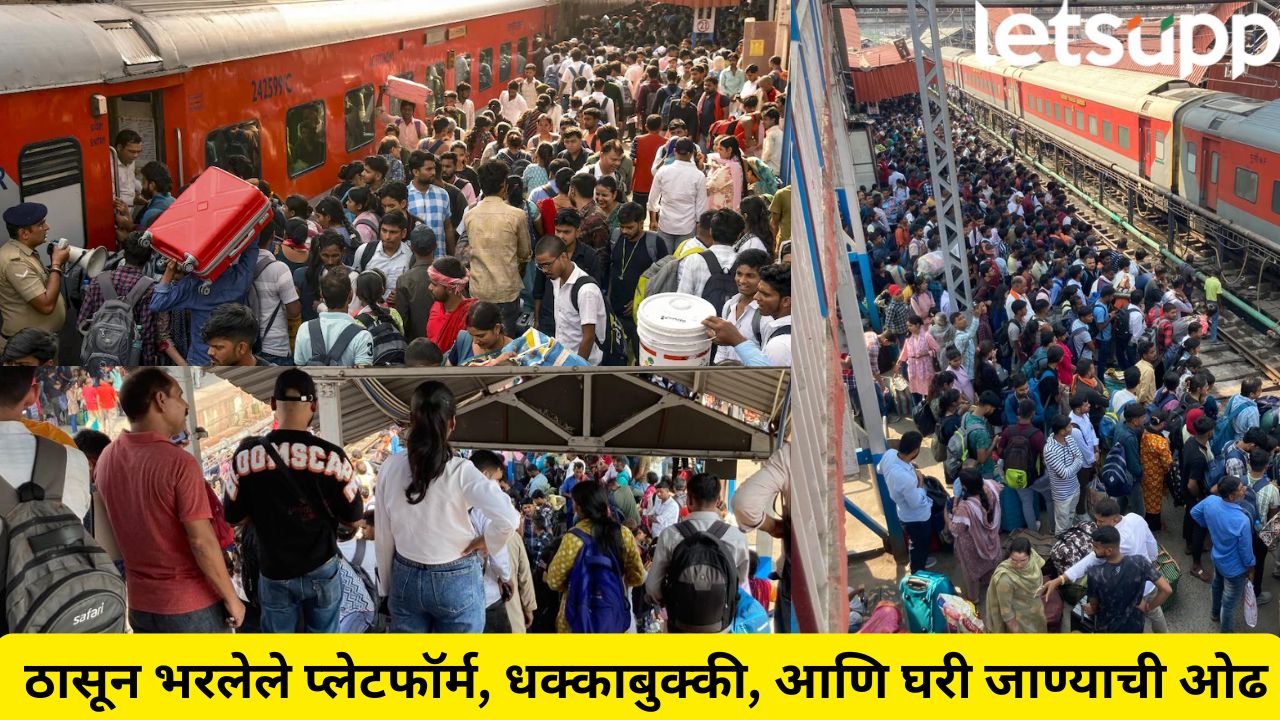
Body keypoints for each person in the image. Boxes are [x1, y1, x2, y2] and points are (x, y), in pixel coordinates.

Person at [95, 368, 244, 632]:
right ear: (160, 401)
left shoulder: (106, 457)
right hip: (190, 606)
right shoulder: (178, 463)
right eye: (179, 395)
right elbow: (201, 542)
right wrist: (232, 599)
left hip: (140, 606)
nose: (186, 404)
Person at [224, 370, 362, 633]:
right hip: (322, 567)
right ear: (314, 405)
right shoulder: (333, 456)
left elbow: (234, 518)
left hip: (274, 571)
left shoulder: (245, 456)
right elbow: (353, 518)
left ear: (273, 404)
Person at [374, 381, 519, 632]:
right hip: (456, 579)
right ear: (452, 423)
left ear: (410, 419)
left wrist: (387, 589)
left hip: (405, 576)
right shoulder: (461, 471)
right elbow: (509, 518)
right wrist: (487, 540)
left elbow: (384, 536)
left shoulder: (390, 467)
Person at [1042, 498, 1169, 632]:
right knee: (1156, 615)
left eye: (1101, 521)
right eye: (1096, 519)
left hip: (1131, 593)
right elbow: (1151, 543)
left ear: (1114, 520)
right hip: (1150, 584)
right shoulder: (1135, 518)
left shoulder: (1115, 543)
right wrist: (1152, 562)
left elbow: (1089, 560)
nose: (1097, 524)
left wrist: (1060, 579)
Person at [645, 472, 749, 631]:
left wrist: (669, 600)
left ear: (689, 500)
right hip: (719, 628)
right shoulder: (736, 537)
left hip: (679, 626)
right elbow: (739, 583)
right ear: (718, 501)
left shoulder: (670, 535)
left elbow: (653, 587)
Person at [545, 481, 645, 633]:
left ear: (578, 507)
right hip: (612, 617)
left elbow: (554, 581)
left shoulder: (573, 538)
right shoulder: (623, 533)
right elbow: (637, 577)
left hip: (577, 620)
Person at [461, 160, 532, 337]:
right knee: (505, 339)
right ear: (504, 186)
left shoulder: (470, 215)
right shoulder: (517, 215)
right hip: (506, 290)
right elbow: (525, 253)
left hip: (479, 289)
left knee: (479, 339)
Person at [78, 230, 163, 364]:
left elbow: (82, 322)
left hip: (97, 357)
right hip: (130, 360)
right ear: (149, 257)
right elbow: (148, 335)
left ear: (124, 253)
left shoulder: (98, 280)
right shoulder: (149, 288)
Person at [0, 203, 68, 354]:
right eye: (41, 224)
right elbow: (46, 305)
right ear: (24, 234)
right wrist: (56, 264)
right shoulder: (15, 262)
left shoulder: (25, 252)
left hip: (38, 343)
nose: (47, 227)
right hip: (26, 349)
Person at [1076, 525, 1171, 633]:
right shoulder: (1140, 562)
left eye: (1096, 547)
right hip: (1135, 624)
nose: (1093, 549)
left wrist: (1091, 609)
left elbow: (1094, 606)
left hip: (1108, 628)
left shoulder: (1095, 573)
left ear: (1109, 551)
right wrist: (1148, 607)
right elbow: (1166, 590)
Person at [1192, 476, 1255, 633]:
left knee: (1217, 584)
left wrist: (1210, 526)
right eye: (1241, 488)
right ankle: (1226, 634)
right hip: (1235, 569)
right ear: (1232, 496)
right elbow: (1246, 553)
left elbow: (1194, 512)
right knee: (1229, 603)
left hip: (1217, 557)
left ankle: (1214, 614)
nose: (1244, 490)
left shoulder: (1210, 501)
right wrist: (1251, 569)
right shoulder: (1242, 520)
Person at [534, 235, 605, 364]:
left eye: (547, 264)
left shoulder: (586, 290)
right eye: (540, 266)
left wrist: (577, 369)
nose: (544, 270)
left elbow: (588, 337)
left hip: (583, 365)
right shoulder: (556, 280)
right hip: (563, 359)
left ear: (563, 257)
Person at [609, 202, 669, 353]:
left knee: (639, 353)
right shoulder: (615, 237)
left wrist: (639, 301)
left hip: (641, 313)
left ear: (641, 223)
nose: (624, 231)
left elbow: (663, 280)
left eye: (629, 227)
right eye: (622, 226)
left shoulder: (655, 243)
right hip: (614, 309)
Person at [293, 268, 375, 366]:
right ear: (350, 296)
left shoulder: (304, 328)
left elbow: (300, 366)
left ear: (322, 294)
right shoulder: (363, 336)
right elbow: (363, 376)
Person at [880, 431, 935, 573]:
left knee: (915, 541)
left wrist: (910, 466)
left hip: (904, 513)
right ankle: (917, 570)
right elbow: (916, 502)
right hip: (917, 517)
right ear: (915, 451)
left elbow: (879, 469)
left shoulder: (890, 455)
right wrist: (920, 483)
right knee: (918, 543)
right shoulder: (906, 479)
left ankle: (920, 559)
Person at [647, 138, 708, 247]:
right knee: (683, 261)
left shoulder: (663, 171)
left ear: (675, 151)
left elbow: (652, 199)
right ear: (692, 153)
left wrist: (653, 219)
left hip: (666, 223)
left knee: (664, 261)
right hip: (687, 226)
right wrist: (699, 228)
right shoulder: (699, 176)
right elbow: (701, 206)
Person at [985, 537, 1049, 633]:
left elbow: (1040, 568)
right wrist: (1016, 630)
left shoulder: (1033, 558)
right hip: (1020, 619)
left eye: (1023, 560)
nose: (1018, 565)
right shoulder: (1005, 578)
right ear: (1009, 555)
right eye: (1014, 560)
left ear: (1030, 555)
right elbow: (1006, 611)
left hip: (1036, 609)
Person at [394, 225, 438, 342]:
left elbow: (402, 321)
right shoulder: (445, 274)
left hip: (417, 344)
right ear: (435, 246)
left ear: (411, 247)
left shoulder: (404, 280)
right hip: (444, 342)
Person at [425, 256, 477, 352]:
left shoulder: (470, 316)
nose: (429, 287)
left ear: (449, 288)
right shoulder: (436, 307)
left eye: (434, 284)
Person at [202, 303, 268, 366]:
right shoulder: (205, 373)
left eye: (218, 347)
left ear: (241, 348)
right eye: (209, 346)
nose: (210, 352)